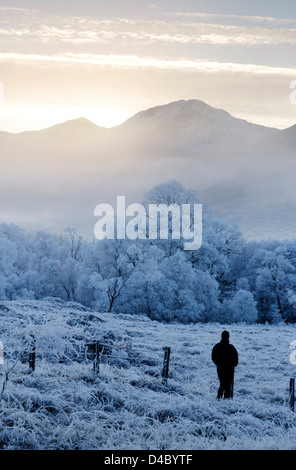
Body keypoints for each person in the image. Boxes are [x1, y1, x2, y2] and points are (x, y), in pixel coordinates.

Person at [211, 330, 238, 399]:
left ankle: (218, 399)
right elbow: (236, 360)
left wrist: (219, 364)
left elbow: (213, 358)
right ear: (228, 337)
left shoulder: (217, 347)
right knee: (228, 385)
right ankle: (226, 401)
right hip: (229, 369)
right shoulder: (231, 348)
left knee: (222, 384)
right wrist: (231, 366)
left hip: (220, 368)